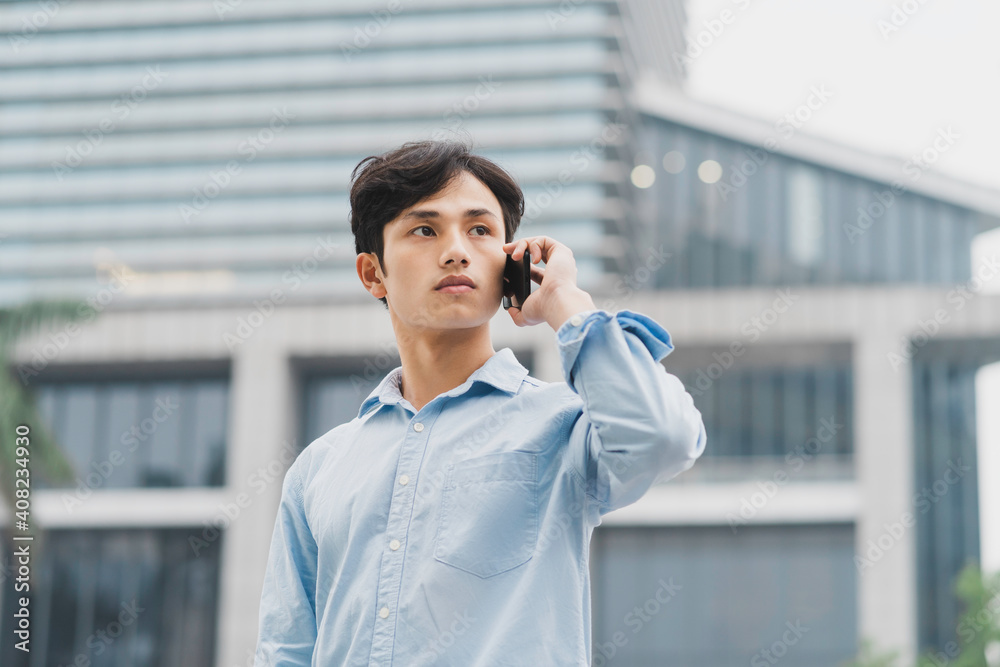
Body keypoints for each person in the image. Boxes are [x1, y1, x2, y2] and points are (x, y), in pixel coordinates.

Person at [253, 139, 707, 666]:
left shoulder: (563, 426)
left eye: (480, 230)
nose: (455, 250)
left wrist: (565, 303)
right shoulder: (319, 468)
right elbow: (284, 650)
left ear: (509, 263)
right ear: (373, 273)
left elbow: (664, 437)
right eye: (425, 229)